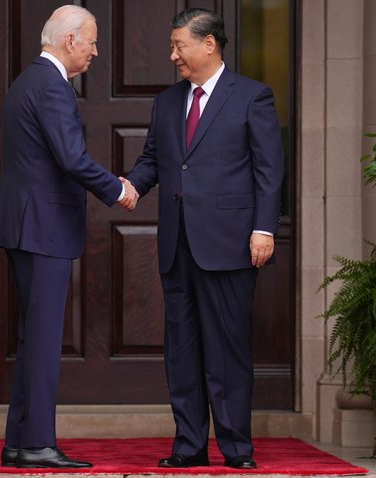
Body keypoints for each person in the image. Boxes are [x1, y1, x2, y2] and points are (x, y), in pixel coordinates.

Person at [124, 8, 284, 470]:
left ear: (209, 44)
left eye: (180, 45)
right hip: (178, 245)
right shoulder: (167, 102)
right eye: (173, 46)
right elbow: (153, 157)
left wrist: (264, 228)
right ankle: (189, 445)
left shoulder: (253, 97)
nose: (173, 55)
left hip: (232, 243)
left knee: (228, 350)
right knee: (183, 350)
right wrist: (131, 185)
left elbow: (269, 171)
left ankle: (237, 448)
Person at [0, 4, 138, 469]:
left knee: (34, 338)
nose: (95, 51)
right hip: (43, 229)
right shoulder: (52, 86)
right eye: (91, 41)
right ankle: (36, 443)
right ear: (70, 40)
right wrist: (118, 189)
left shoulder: (26, 81)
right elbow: (72, 159)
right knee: (44, 338)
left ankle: (19, 443)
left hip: (26, 226)